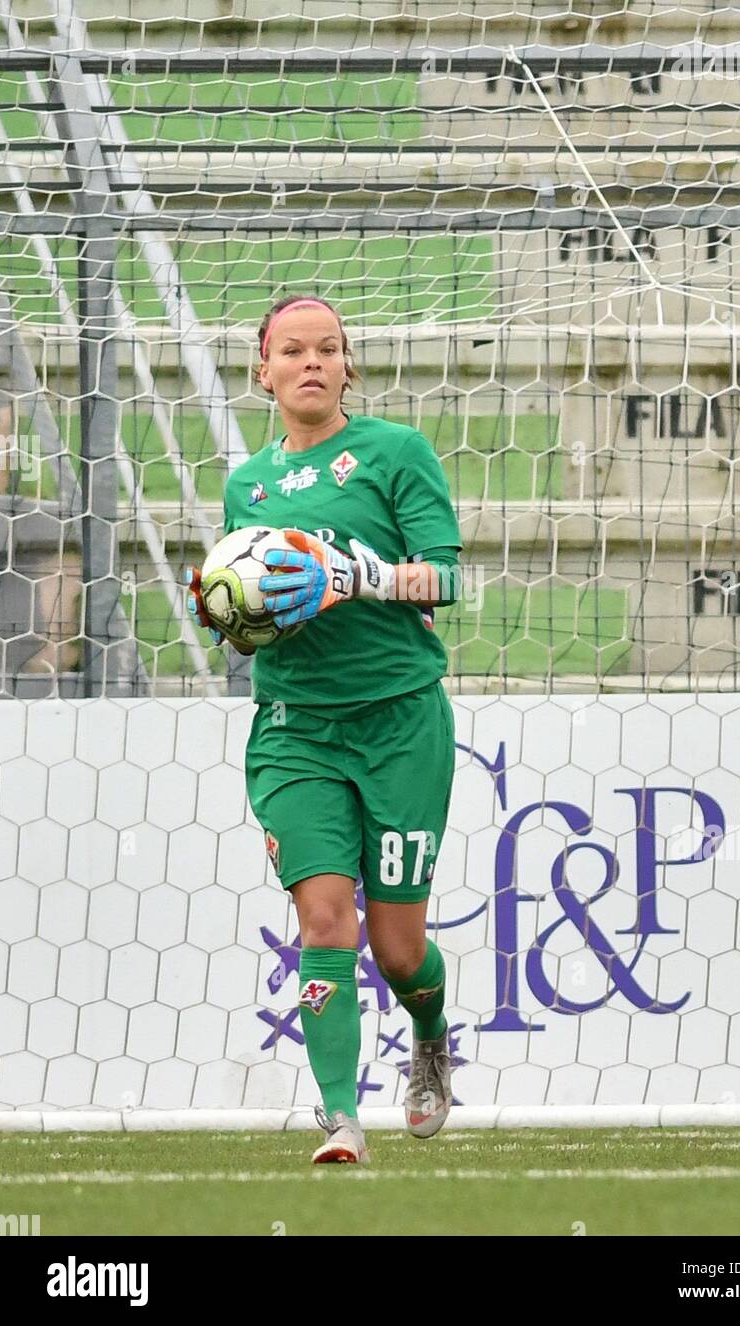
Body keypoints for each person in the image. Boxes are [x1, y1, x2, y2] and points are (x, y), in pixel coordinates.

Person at [187, 295, 462, 1164]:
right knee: (325, 919)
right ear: (262, 370)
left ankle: (429, 1034)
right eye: (292, 350)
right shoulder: (248, 485)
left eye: (328, 349)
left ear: (349, 367)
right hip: (296, 730)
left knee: (397, 945)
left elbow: (447, 581)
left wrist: (358, 573)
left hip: (398, 724)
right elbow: (254, 602)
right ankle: (340, 1116)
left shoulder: (395, 453)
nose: (312, 362)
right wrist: (229, 610)